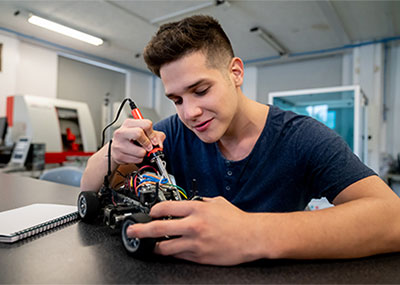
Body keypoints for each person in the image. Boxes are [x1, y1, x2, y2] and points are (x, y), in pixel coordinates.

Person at [81, 15, 400, 266]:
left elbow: (392, 218)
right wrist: (111, 153)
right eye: (176, 99)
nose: (190, 112)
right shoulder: (175, 133)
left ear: (235, 73)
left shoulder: (302, 137)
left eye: (201, 91)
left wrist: (252, 233)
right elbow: (90, 196)